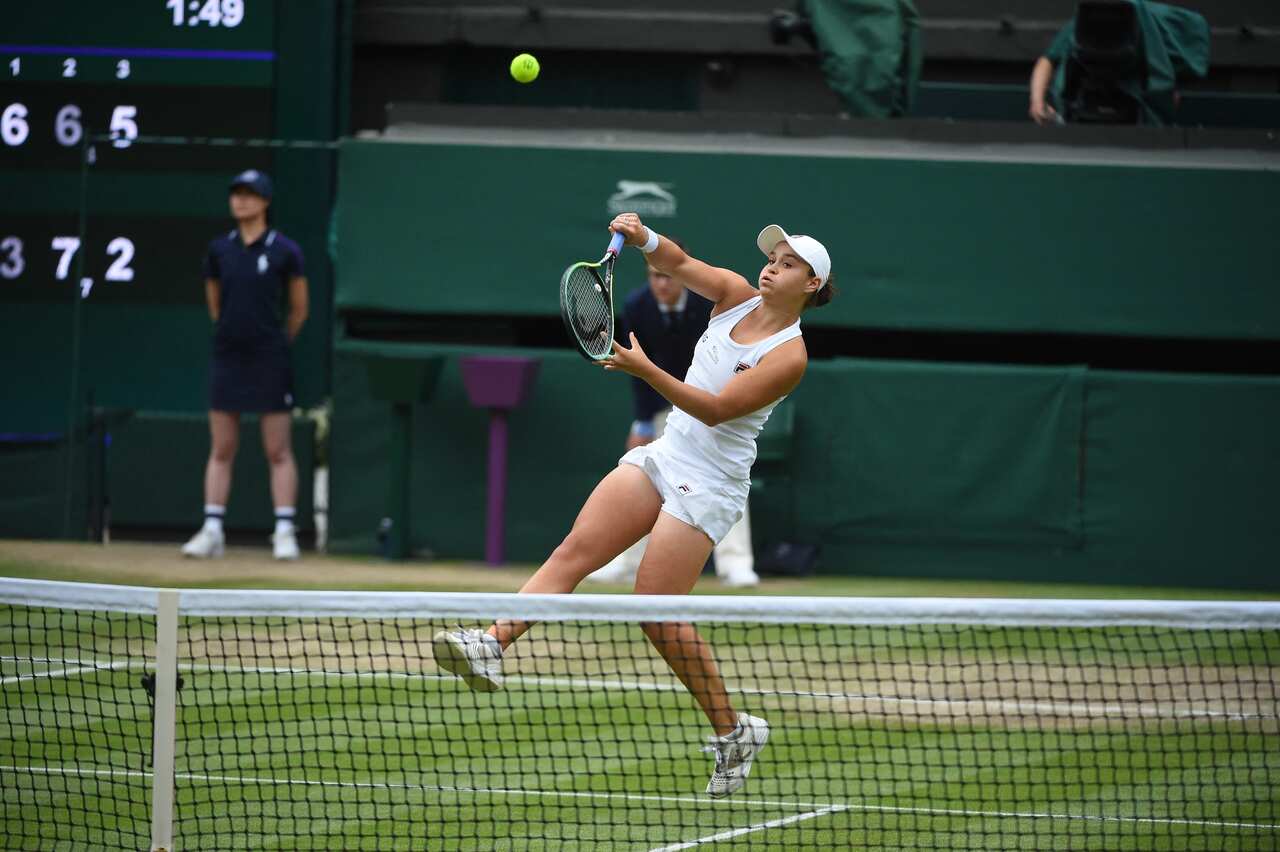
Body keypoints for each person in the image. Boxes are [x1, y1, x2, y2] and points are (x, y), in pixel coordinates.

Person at [433, 212, 835, 798]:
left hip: (713, 481)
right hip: (667, 454)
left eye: (789, 264)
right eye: (772, 258)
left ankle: (734, 730)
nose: (772, 268)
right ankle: (491, 643)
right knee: (575, 552)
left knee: (654, 611)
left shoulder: (789, 356)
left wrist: (644, 369)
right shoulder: (732, 293)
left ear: (812, 286)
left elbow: (718, 410)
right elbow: (676, 263)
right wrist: (644, 236)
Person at [585, 240, 760, 588]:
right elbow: (637, 365)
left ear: (682, 278)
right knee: (645, 479)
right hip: (661, 400)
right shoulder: (638, 304)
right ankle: (624, 563)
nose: (661, 283)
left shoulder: (706, 303)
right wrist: (643, 420)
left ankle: (736, 565)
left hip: (710, 401)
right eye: (654, 277)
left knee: (724, 479)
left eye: (667, 276)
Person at [181, 170, 309, 561]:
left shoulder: (286, 250)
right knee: (221, 446)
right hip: (228, 355)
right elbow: (215, 305)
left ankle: (285, 531)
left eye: (250, 194)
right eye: (236, 194)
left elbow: (299, 309)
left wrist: (274, 341)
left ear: (265, 201)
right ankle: (212, 529)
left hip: (270, 357)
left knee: (277, 449)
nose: (241, 201)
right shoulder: (220, 250)